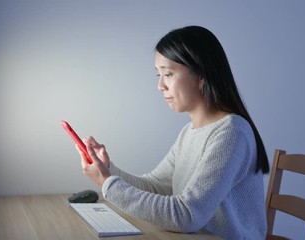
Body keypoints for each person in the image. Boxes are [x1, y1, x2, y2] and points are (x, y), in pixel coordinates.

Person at [75, 26, 269, 239]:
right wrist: (108, 171)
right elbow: (156, 186)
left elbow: (187, 215)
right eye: (159, 75)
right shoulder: (190, 132)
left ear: (202, 75)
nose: (160, 85)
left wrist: (109, 184)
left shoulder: (231, 133)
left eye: (168, 74)